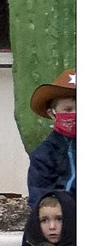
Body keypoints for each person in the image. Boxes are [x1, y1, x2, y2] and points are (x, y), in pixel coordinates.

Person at [27, 71, 74, 209]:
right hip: (60, 222)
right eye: (68, 109)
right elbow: (39, 199)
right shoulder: (44, 154)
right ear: (52, 114)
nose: (75, 114)